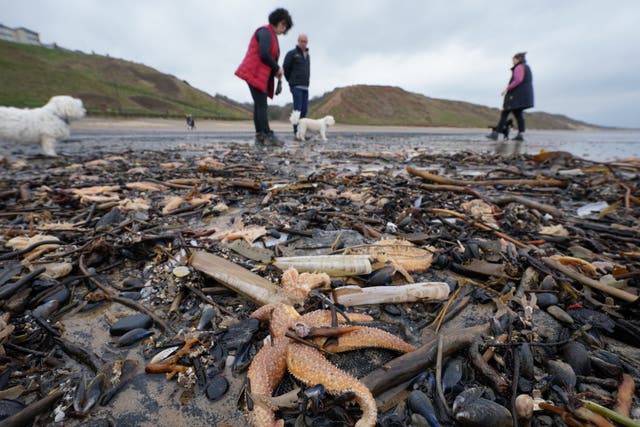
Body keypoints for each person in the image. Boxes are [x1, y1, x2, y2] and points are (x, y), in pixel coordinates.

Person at [235, 8, 293, 146]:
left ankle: (260, 135)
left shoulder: (271, 35)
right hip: (254, 72)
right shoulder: (265, 32)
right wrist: (277, 67)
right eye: (283, 25)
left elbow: (268, 59)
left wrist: (275, 71)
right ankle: (267, 135)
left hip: (259, 73)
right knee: (262, 105)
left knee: (259, 105)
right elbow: (264, 54)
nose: (284, 29)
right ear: (278, 21)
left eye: (286, 27)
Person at [487, 52, 534, 143]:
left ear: (518, 59)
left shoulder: (519, 67)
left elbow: (518, 80)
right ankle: (520, 134)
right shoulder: (526, 67)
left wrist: (507, 89)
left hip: (516, 95)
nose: (512, 62)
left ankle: (496, 134)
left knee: (505, 112)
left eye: (513, 60)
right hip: (524, 95)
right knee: (518, 114)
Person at [283, 33, 310, 140]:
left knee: (304, 110)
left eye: (305, 41)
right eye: (302, 41)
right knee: (297, 110)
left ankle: (302, 132)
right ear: (298, 41)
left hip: (305, 87)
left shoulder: (307, 55)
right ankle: (296, 132)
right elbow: (285, 68)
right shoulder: (292, 53)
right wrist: (290, 81)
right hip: (296, 86)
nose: (304, 43)